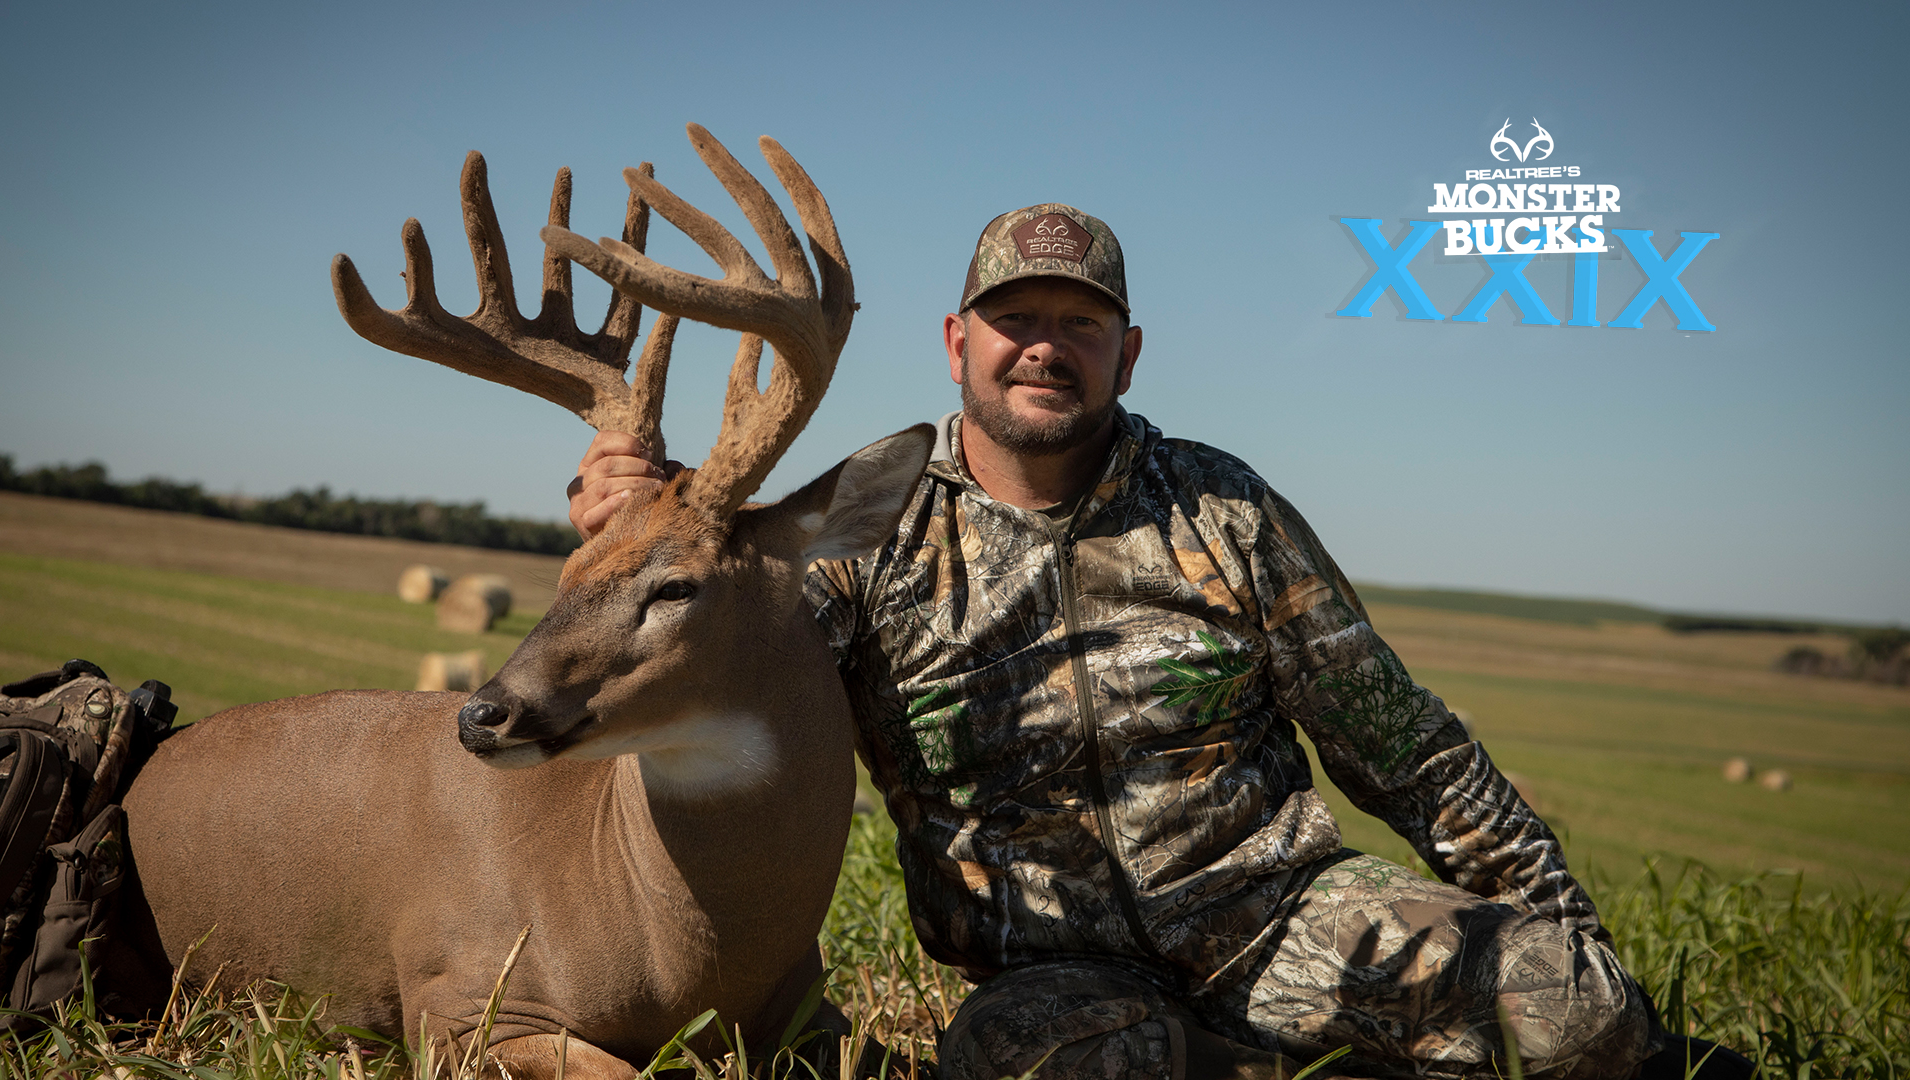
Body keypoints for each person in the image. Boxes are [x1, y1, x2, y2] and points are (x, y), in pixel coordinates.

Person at [568, 206, 1744, 1079]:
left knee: (1576, 1014)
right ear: (956, 343)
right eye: (1015, 320)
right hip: (1056, 977)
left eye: (1081, 324)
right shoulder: (869, 532)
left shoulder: (1222, 511)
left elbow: (1410, 751)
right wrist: (628, 530)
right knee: (1027, 1066)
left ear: (1126, 355)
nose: (1045, 347)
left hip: (1288, 921)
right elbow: (713, 639)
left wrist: (1578, 953)